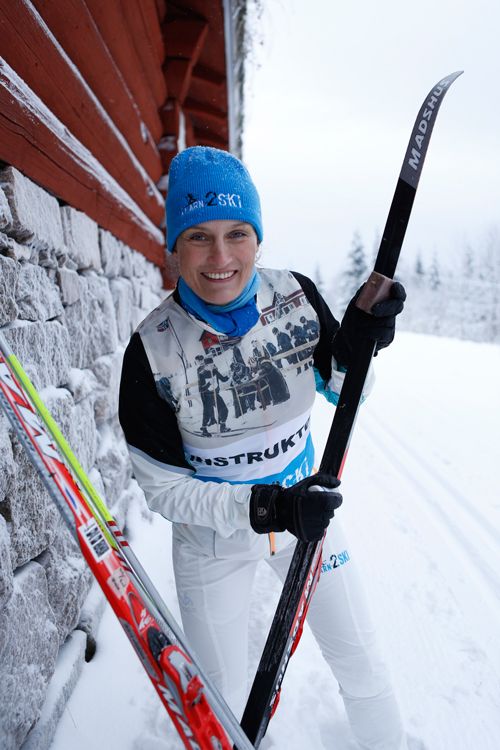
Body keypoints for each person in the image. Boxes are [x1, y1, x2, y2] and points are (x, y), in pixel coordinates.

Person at [119, 147, 408, 749]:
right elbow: (164, 490)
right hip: (214, 545)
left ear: (257, 237)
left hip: (309, 518)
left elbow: (345, 389)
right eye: (199, 237)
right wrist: (268, 508)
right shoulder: (152, 351)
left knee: (363, 663)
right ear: (175, 247)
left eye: (237, 234)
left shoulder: (294, 297)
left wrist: (359, 346)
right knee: (221, 705)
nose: (221, 257)